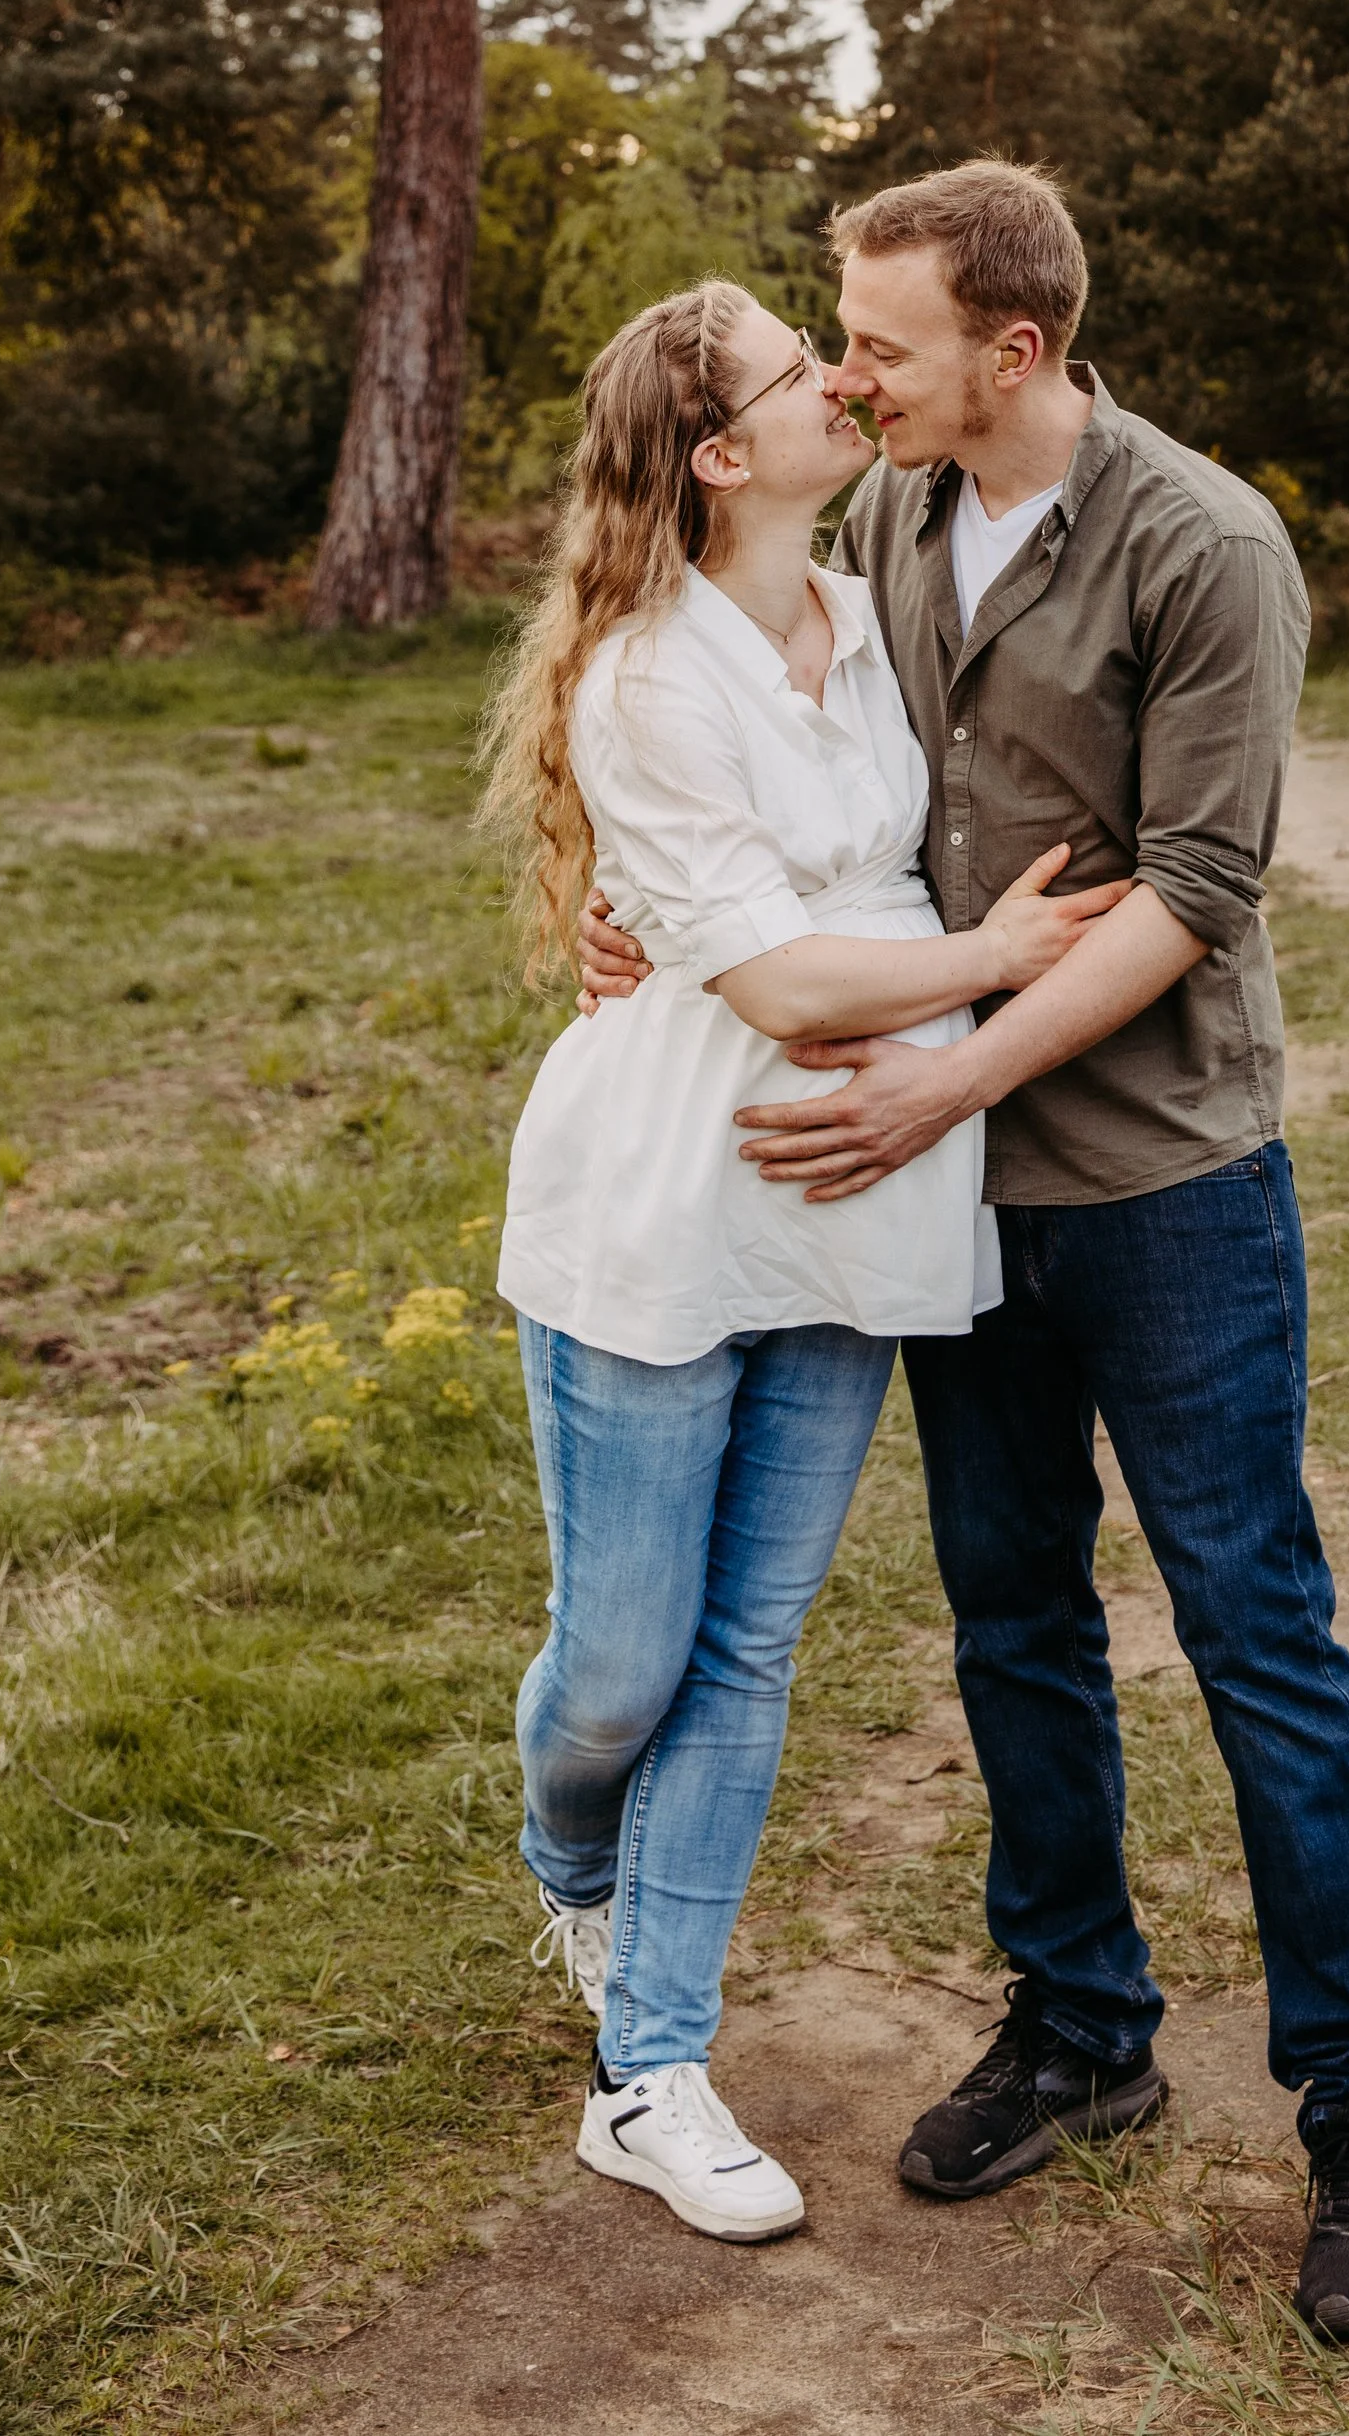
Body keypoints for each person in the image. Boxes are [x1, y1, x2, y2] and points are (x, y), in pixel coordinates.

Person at [579, 167, 1349, 2338]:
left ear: (1017, 350)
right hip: (940, 1205)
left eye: (873, 340)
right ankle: (1079, 2019)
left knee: (1254, 1627)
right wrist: (658, 924)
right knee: (1010, 1620)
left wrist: (941, 1079)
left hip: (1160, 1185)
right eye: (831, 342)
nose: (843, 368)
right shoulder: (875, 523)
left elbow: (1189, 891)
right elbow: (761, 770)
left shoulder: (1201, 541)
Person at [480, 276, 1125, 2247]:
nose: (841, 379)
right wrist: (986, 966)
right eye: (795, 369)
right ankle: (560, 1849)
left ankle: (651, 2068)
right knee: (620, 1661)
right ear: (716, 453)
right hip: (668, 1187)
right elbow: (769, 971)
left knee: (748, 1646)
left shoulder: (876, 606)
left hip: (857, 1186)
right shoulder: (645, 675)